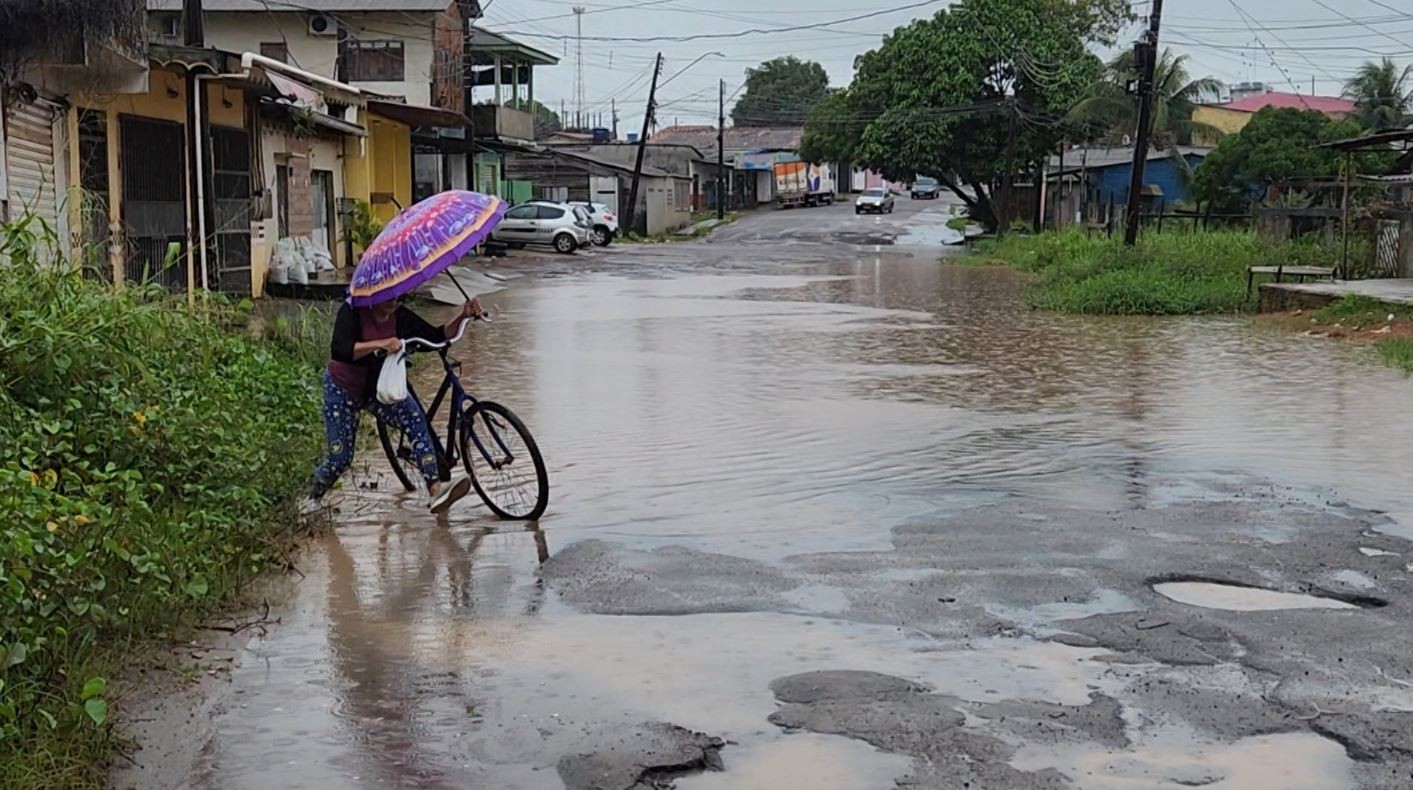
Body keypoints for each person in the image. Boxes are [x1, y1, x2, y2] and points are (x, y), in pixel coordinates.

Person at [305, 296, 483, 513]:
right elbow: (342, 349)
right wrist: (380, 344)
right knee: (340, 458)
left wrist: (463, 315)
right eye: (389, 296)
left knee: (416, 421)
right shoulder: (351, 311)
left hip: (378, 389)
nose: (395, 301)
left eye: (400, 297)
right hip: (343, 389)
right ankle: (311, 496)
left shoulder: (401, 317)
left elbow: (436, 335)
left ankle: (436, 489)